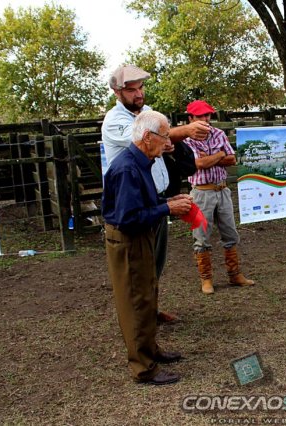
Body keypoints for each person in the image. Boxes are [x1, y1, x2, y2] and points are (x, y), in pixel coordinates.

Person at [102, 64, 208, 322]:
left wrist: (169, 143)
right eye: (131, 90)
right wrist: (183, 131)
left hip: (155, 199)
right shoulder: (114, 121)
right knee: (137, 266)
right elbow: (141, 138)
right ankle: (139, 319)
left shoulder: (147, 112)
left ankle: (150, 309)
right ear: (117, 92)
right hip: (134, 203)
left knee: (154, 261)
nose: (139, 94)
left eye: (141, 87)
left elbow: (158, 142)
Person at [102, 110, 192, 385]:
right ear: (147, 136)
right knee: (136, 301)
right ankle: (143, 368)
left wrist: (167, 201)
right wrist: (167, 208)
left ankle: (150, 350)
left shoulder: (140, 163)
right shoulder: (128, 168)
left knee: (148, 292)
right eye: (164, 136)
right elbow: (128, 218)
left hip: (140, 237)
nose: (168, 142)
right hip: (129, 240)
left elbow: (140, 203)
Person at [183, 100, 254, 294]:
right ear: (191, 118)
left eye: (207, 115)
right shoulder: (186, 140)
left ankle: (234, 274)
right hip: (201, 192)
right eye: (200, 116)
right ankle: (206, 279)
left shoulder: (218, 133)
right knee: (201, 236)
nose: (205, 119)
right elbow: (199, 164)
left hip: (222, 189)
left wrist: (210, 158)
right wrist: (219, 154)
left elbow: (232, 159)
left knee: (230, 233)